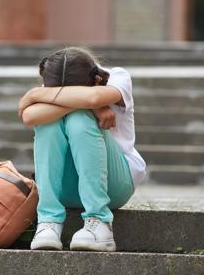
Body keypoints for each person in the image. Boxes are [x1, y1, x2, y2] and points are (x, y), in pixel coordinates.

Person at [18, 47, 146, 252]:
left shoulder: (117, 77)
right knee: (47, 123)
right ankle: (48, 222)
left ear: (96, 81)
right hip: (68, 188)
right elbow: (29, 117)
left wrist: (37, 95)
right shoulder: (57, 80)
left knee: (79, 119)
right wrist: (87, 103)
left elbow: (94, 98)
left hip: (115, 184)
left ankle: (100, 222)